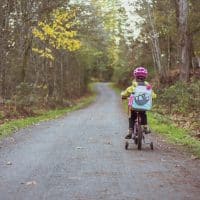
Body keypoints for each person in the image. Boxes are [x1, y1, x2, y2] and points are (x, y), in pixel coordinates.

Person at [121, 66, 156, 139]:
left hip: (134, 106)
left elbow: (125, 93)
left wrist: (123, 95)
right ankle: (145, 126)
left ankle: (130, 131)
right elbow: (153, 95)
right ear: (145, 77)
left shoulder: (133, 87)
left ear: (135, 77)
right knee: (143, 114)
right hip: (144, 106)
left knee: (132, 117)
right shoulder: (148, 87)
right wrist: (153, 96)